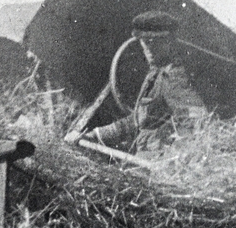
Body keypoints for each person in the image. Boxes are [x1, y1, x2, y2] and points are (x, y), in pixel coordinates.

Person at [70, 10, 208, 154]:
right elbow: (138, 120)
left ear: (170, 42)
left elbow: (196, 123)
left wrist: (172, 158)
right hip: (143, 155)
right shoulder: (155, 73)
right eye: (145, 41)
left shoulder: (174, 76)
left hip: (156, 161)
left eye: (156, 42)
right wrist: (96, 135)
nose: (149, 48)